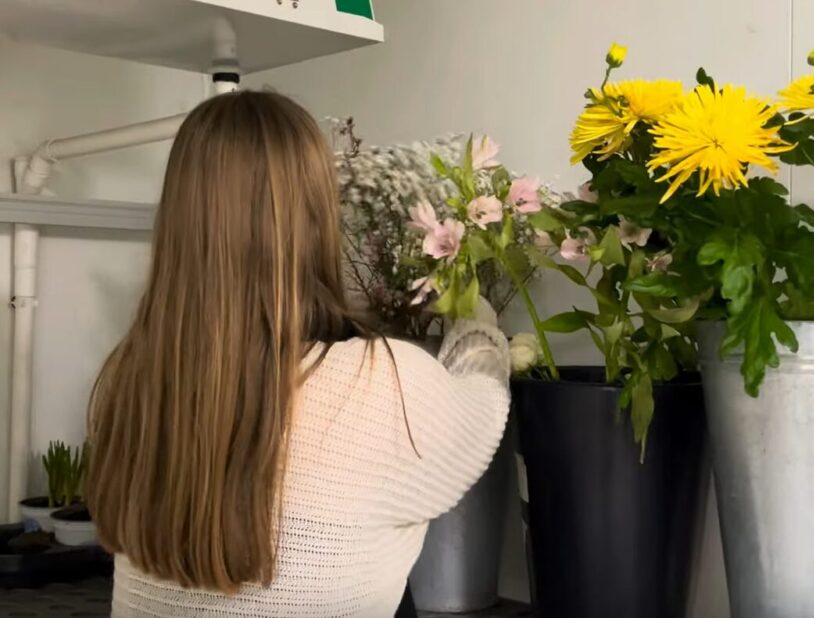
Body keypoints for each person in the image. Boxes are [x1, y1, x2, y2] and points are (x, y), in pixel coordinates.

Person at [85, 91, 511, 617]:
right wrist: (477, 321)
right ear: (314, 216)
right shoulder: (382, 381)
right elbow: (484, 409)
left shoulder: (131, 379)